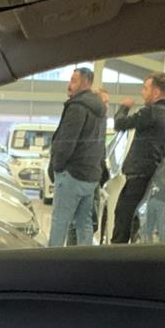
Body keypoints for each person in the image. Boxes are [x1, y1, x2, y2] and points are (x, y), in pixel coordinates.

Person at [109, 72, 165, 243]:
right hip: (159, 184)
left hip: (138, 180)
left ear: (156, 92)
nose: (142, 93)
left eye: (145, 88)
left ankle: (115, 258)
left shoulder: (151, 112)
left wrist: (124, 107)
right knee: (142, 228)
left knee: (123, 222)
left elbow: (120, 124)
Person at [46, 67, 106, 247]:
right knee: (84, 223)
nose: (69, 85)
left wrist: (57, 166)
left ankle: (51, 260)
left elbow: (66, 142)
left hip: (71, 175)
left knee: (60, 222)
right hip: (90, 176)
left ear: (85, 83)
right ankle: (86, 260)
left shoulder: (77, 107)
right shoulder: (100, 109)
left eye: (73, 81)